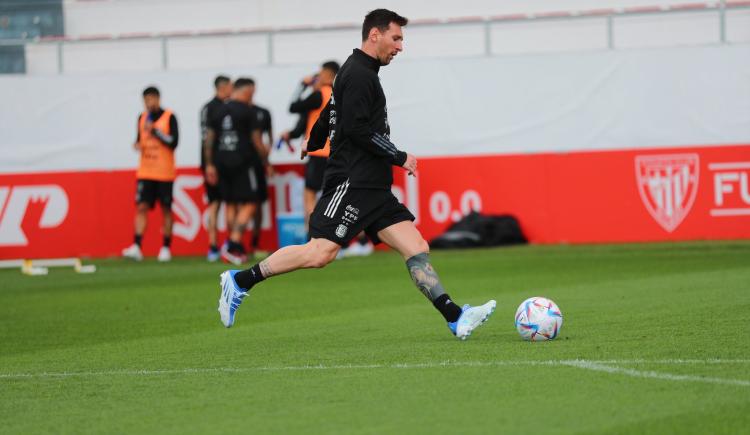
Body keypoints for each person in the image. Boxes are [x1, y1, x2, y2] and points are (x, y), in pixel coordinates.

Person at [217, 9, 496, 340]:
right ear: (374, 35)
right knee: (320, 252)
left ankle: (455, 317)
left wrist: (315, 139)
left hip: (373, 186)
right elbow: (358, 128)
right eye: (396, 38)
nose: (400, 47)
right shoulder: (360, 74)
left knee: (416, 245)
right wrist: (399, 155)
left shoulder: (356, 72)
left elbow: (331, 111)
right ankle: (239, 280)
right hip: (351, 180)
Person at [204, 78, 268, 265]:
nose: (253, 96)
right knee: (251, 201)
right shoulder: (248, 111)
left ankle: (234, 248)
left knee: (231, 202)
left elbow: (209, 140)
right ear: (246, 91)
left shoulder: (217, 110)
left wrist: (209, 165)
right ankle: (233, 242)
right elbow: (257, 140)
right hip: (243, 162)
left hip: (221, 161)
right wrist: (266, 158)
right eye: (252, 92)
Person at [122, 86, 179, 262]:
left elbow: (173, 142)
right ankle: (137, 246)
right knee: (141, 207)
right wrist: (137, 145)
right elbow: (139, 140)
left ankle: (165, 248)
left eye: (151, 99)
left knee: (166, 209)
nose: (149, 103)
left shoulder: (169, 116)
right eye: (146, 100)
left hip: (164, 173)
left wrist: (155, 131)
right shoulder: (141, 118)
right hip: (145, 171)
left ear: (158, 99)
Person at [201, 75, 233, 262]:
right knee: (216, 203)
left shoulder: (209, 107)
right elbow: (207, 138)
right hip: (215, 162)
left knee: (222, 202)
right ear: (224, 87)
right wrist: (210, 164)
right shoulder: (215, 108)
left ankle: (220, 246)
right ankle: (214, 245)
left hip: (218, 162)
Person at [246, 79, 273, 258]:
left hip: (256, 165)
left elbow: (268, 137)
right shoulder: (233, 111)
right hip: (241, 165)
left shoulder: (262, 113)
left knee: (257, 203)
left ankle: (254, 244)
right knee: (243, 204)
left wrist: (266, 160)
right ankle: (235, 245)